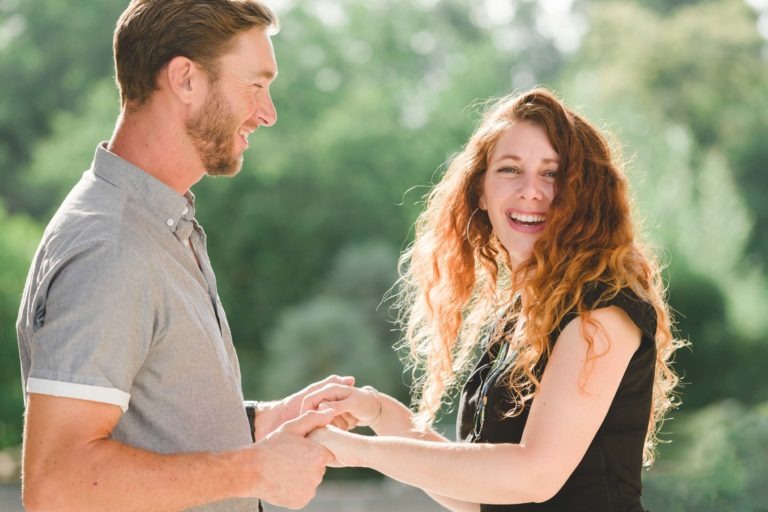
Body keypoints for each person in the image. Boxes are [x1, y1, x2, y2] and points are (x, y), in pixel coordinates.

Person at [15, 1, 347, 510]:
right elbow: (57, 484)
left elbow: (148, 423)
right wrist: (253, 469)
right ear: (186, 80)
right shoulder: (110, 247)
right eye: (255, 85)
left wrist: (259, 423)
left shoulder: (159, 225)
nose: (268, 113)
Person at [301, 88, 686, 511]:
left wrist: (357, 453)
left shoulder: (602, 310)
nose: (531, 191)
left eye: (553, 173)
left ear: (585, 196)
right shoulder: (521, 315)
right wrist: (377, 414)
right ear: (480, 192)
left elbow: (532, 475)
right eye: (509, 169)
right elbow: (477, 495)